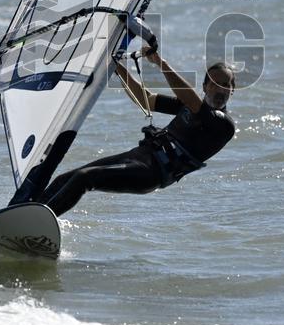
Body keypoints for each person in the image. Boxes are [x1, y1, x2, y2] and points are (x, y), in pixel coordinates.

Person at [40, 49, 236, 217]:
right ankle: (27, 210)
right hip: (137, 156)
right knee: (64, 179)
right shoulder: (187, 106)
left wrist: (160, 62)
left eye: (226, 84)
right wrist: (116, 66)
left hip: (151, 173)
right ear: (205, 86)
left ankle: (37, 224)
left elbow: (192, 102)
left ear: (232, 91)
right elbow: (145, 99)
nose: (220, 88)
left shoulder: (224, 125)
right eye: (214, 83)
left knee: (84, 178)